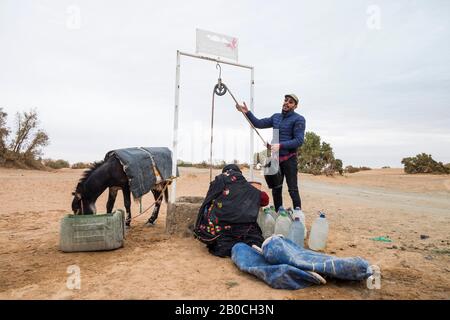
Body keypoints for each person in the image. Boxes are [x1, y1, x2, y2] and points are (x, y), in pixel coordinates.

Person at [236, 94, 305, 212]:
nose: (287, 103)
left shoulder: (299, 119)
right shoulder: (276, 117)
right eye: (285, 100)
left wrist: (280, 145)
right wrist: (247, 112)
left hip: (289, 159)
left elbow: (299, 140)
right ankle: (279, 214)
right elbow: (258, 123)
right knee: (276, 188)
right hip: (274, 159)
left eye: (291, 102)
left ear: (295, 106)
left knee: (292, 189)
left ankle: (299, 216)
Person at [194, 164, 269, 257]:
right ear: (240, 174)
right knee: (254, 240)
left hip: (220, 231)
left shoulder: (218, 183)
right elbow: (265, 200)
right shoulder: (248, 188)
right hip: (245, 230)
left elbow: (207, 202)